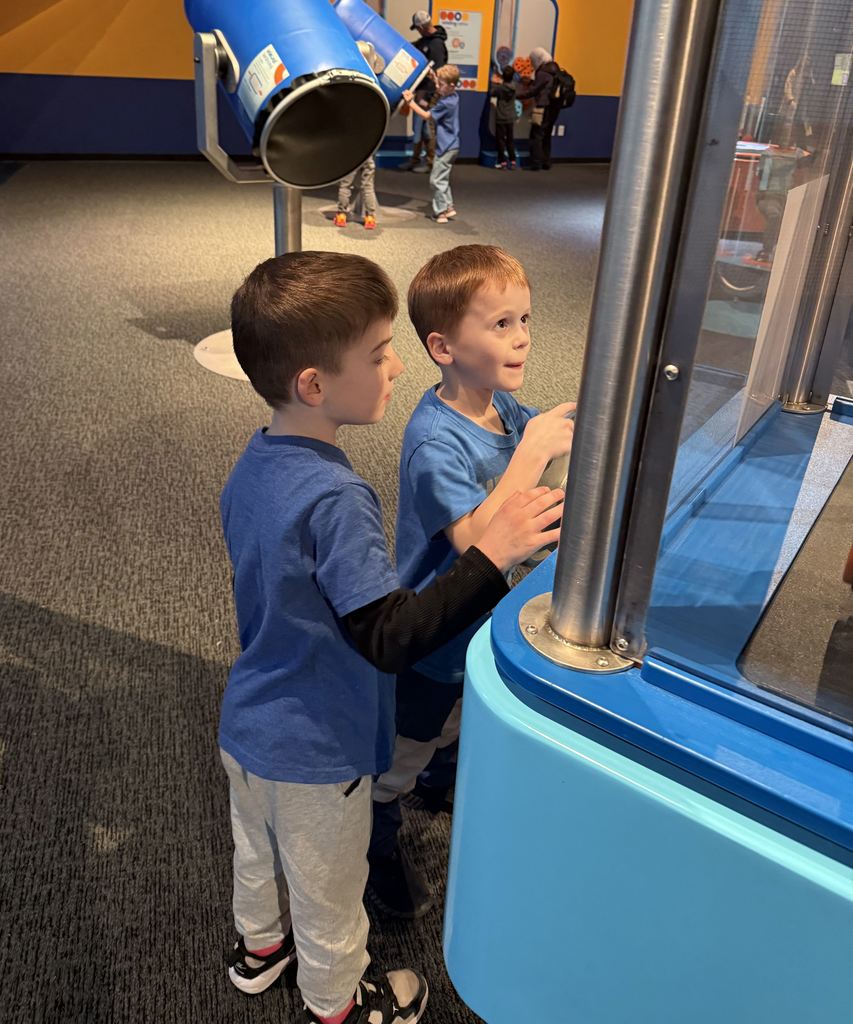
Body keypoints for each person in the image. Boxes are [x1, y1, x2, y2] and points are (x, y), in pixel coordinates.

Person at [219, 250, 566, 1024]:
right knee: (329, 887)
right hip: (318, 745)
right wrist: (492, 555)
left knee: (257, 855)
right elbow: (389, 639)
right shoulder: (338, 496)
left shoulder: (254, 461)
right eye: (378, 354)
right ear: (316, 384)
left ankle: (258, 951)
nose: (396, 363)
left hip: (247, 717)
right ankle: (339, 1002)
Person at [367, 245, 576, 917]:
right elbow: (476, 543)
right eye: (500, 325)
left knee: (464, 726)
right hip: (432, 646)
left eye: (524, 319)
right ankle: (377, 849)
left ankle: (441, 778)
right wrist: (537, 451)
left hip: (487, 633)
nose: (522, 338)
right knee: (396, 761)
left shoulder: (504, 411)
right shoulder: (435, 441)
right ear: (442, 346)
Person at [334, 42, 384, 230]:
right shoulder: (374, 89)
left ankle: (341, 214)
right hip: (368, 146)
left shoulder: (349, 89)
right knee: (367, 184)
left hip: (349, 148)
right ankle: (370, 217)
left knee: (345, 183)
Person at [404, 65, 461, 223]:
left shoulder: (445, 104)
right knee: (443, 178)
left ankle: (440, 212)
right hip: (453, 145)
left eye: (440, 84)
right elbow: (443, 86)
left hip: (445, 146)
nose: (437, 86)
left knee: (436, 179)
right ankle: (449, 207)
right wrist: (433, 76)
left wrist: (411, 102)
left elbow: (427, 115)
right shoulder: (454, 96)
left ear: (450, 86)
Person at [402, 10, 448, 173]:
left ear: (422, 26)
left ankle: (430, 163)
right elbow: (417, 47)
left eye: (418, 28)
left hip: (428, 94)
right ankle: (415, 160)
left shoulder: (436, 45)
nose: (417, 31)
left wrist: (427, 96)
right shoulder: (425, 41)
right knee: (418, 128)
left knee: (428, 128)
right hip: (421, 91)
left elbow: (437, 73)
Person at [517, 47, 561, 170]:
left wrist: (516, 95)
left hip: (542, 107)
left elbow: (534, 91)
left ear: (538, 59)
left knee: (536, 135)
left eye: (532, 61)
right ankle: (546, 162)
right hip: (554, 107)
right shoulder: (555, 69)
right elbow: (545, 86)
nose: (532, 64)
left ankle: (536, 163)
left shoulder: (542, 72)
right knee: (546, 134)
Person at [491, 65, 518, 169]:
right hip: (510, 117)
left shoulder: (500, 88)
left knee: (501, 140)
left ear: (503, 76)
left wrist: (494, 82)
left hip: (501, 117)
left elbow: (492, 93)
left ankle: (502, 162)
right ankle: (513, 161)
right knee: (510, 140)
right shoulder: (514, 87)